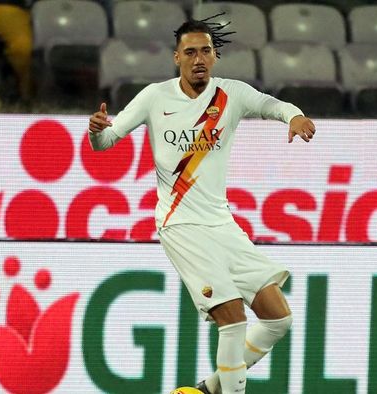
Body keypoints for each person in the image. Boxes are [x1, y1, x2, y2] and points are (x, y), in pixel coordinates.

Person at [88, 15, 316, 394]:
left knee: (278, 319)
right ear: (176, 57)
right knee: (232, 318)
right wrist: (96, 131)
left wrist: (294, 115)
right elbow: (107, 140)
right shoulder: (154, 97)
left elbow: (272, 104)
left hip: (222, 224)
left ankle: (208, 389)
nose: (199, 59)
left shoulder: (231, 95)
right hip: (181, 225)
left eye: (206, 51)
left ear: (214, 57)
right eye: (190, 52)